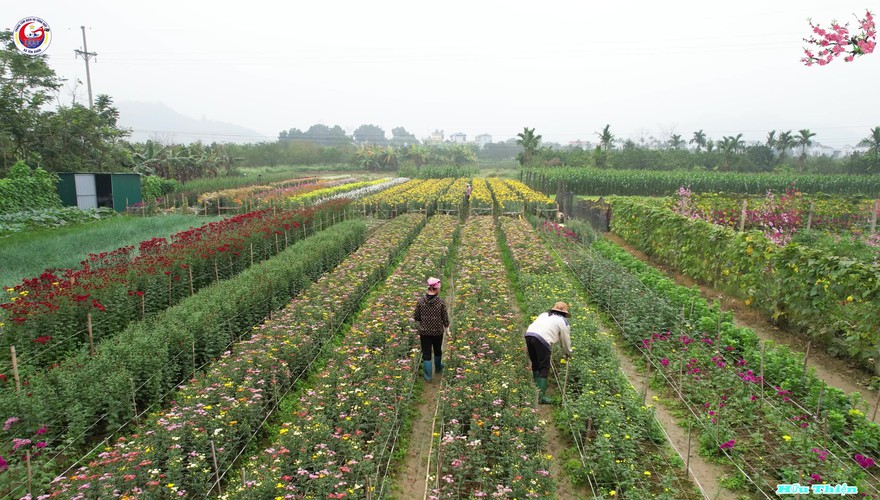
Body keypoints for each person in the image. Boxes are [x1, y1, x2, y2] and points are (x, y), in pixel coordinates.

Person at [524, 301, 572, 404]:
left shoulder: (544, 314)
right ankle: (541, 396)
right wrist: (568, 352)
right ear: (564, 313)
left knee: (536, 363)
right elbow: (565, 339)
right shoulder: (563, 321)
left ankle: (536, 391)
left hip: (529, 335)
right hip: (542, 339)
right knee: (544, 366)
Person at [413, 277, 450, 382]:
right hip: (437, 331)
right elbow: (445, 318)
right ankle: (438, 367)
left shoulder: (420, 301)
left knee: (426, 353)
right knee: (438, 350)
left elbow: (416, 316)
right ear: (436, 289)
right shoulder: (440, 302)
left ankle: (428, 376)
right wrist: (446, 327)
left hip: (424, 332)